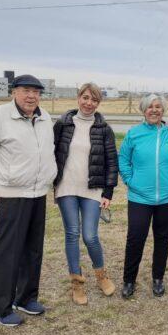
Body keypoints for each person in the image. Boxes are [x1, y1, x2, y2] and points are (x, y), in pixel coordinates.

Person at [0, 74, 57, 327]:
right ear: (14, 92)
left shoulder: (44, 117)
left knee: (33, 250)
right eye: (26, 91)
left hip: (37, 193)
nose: (32, 96)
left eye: (36, 92)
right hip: (10, 195)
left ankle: (26, 297)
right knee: (7, 253)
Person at [118, 94, 168, 299]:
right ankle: (129, 280)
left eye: (158, 107)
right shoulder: (134, 133)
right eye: (150, 107)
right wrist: (131, 181)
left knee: (163, 237)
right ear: (143, 110)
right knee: (135, 238)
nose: (154, 110)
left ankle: (158, 278)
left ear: (163, 110)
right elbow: (123, 160)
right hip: (139, 197)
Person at [53, 82, 118, 304]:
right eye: (85, 98)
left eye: (94, 100)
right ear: (78, 98)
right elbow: (52, 153)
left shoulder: (104, 129)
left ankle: (101, 276)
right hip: (66, 188)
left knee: (90, 236)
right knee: (72, 234)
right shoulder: (63, 124)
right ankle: (77, 283)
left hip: (93, 188)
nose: (89, 103)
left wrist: (108, 191)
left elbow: (111, 161)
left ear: (98, 103)